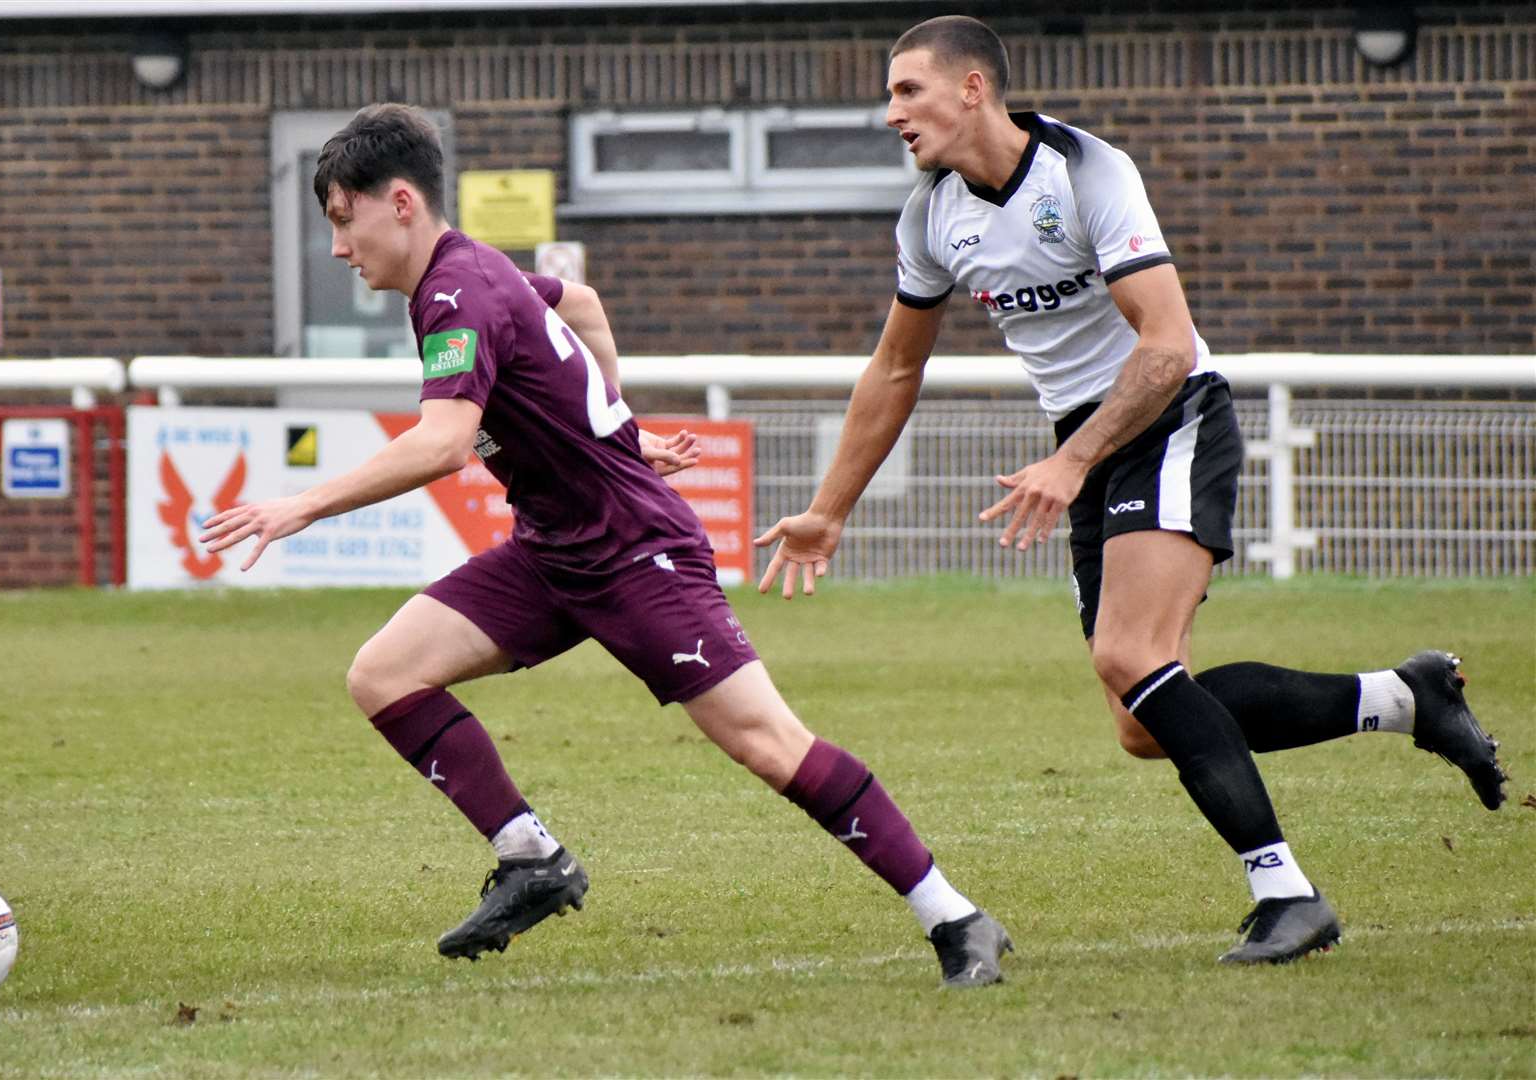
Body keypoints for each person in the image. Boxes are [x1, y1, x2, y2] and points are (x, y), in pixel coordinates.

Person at [199, 103, 1014, 988]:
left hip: (634, 551)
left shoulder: (456, 290)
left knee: (768, 744)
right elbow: (580, 303)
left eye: (340, 218)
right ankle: (531, 858)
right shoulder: (466, 272)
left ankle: (957, 918)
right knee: (383, 673)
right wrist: (616, 426)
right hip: (554, 551)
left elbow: (441, 441)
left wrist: (305, 505)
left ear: (399, 202)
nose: (335, 247)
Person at [754, 16, 1507, 966]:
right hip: (1090, 443)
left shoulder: (1085, 170)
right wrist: (830, 510)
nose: (890, 112)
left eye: (908, 91)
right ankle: (1405, 700)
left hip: (1171, 414)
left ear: (973, 88)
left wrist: (1073, 463)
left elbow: (1165, 344)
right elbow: (895, 370)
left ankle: (1288, 892)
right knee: (1142, 721)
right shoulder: (931, 217)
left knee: (1127, 653)